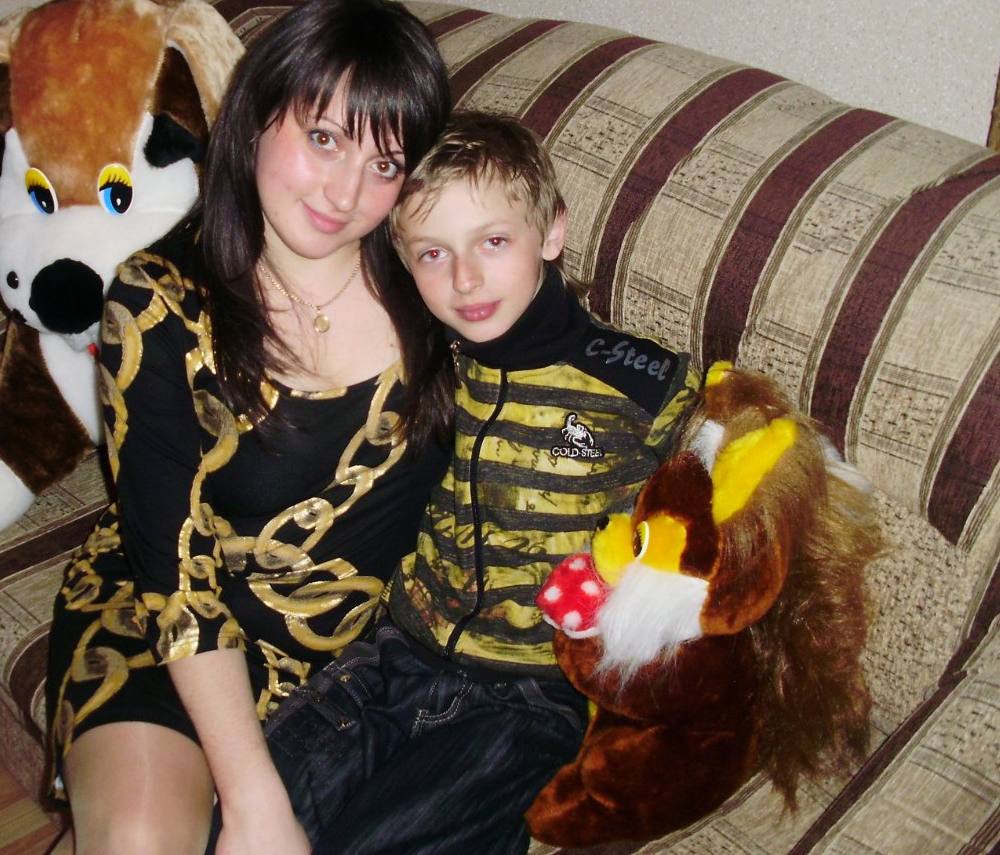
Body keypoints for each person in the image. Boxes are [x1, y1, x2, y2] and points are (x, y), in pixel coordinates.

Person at [44, 0, 454, 855]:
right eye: (324, 138)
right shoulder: (159, 300)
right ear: (257, 116)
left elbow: (572, 382)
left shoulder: (438, 282)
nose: (346, 192)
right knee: (140, 839)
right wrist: (253, 796)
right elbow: (176, 570)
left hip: (354, 657)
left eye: (385, 163)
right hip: (168, 626)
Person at [265, 112, 702, 855]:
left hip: (530, 696)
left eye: (493, 242)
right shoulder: (413, 364)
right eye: (433, 253)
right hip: (390, 658)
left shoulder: (645, 383)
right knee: (241, 820)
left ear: (551, 232)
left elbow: (725, 514)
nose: (464, 280)